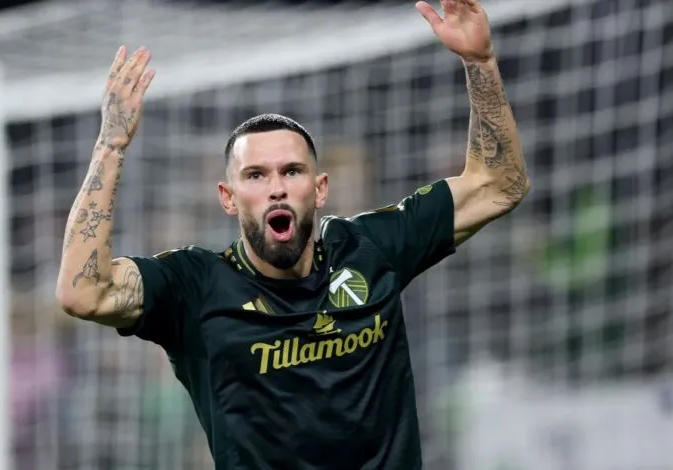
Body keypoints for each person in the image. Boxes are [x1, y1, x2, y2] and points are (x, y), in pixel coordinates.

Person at [55, 1, 530, 468]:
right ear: (228, 197)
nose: (277, 187)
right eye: (256, 175)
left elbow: (500, 185)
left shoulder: (367, 249)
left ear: (320, 189)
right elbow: (83, 293)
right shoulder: (195, 287)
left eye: (292, 171)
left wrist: (480, 62)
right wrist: (110, 146)